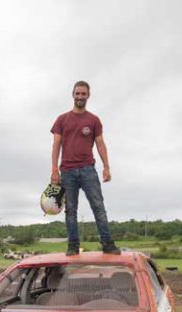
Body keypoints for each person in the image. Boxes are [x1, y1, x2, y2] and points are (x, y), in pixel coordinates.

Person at [51, 80, 120, 256]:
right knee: (71, 210)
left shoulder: (93, 120)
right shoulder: (62, 119)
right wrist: (54, 170)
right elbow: (56, 145)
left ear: (88, 95)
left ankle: (107, 244)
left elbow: (100, 144)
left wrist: (106, 166)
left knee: (98, 206)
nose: (80, 96)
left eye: (83, 93)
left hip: (88, 170)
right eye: (77, 93)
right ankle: (73, 246)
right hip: (67, 171)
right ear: (72, 95)